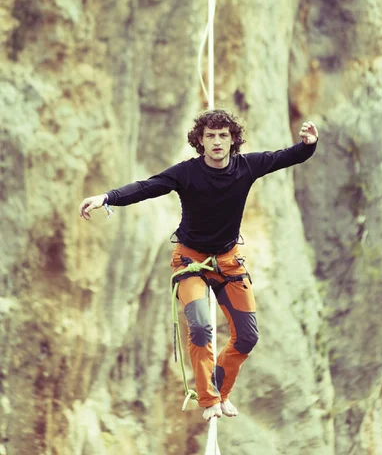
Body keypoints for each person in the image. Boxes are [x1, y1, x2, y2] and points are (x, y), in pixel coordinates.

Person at [79, 109, 318, 422]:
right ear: (200, 141)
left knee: (247, 338)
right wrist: (107, 197)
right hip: (190, 262)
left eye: (222, 135)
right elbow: (145, 187)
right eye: (210, 136)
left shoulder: (247, 166)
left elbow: (285, 156)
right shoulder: (187, 173)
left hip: (229, 263)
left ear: (233, 140)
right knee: (202, 326)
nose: (216, 141)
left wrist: (308, 145)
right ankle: (208, 399)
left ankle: (221, 391)